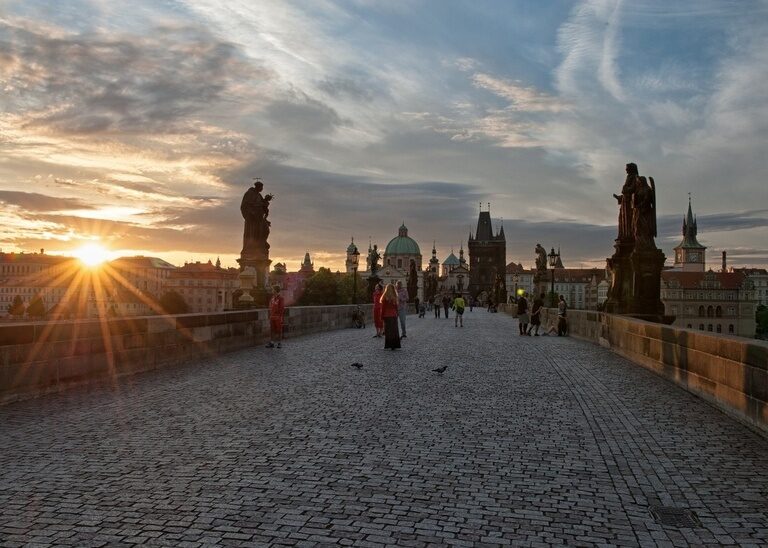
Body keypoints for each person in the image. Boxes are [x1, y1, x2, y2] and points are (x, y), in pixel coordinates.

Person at [381, 283, 400, 350]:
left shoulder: (384, 297)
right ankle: (394, 345)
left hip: (387, 315)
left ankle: (388, 344)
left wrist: (382, 316)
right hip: (393, 315)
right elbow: (396, 307)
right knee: (394, 330)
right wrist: (397, 314)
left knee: (388, 330)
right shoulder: (394, 297)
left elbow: (383, 308)